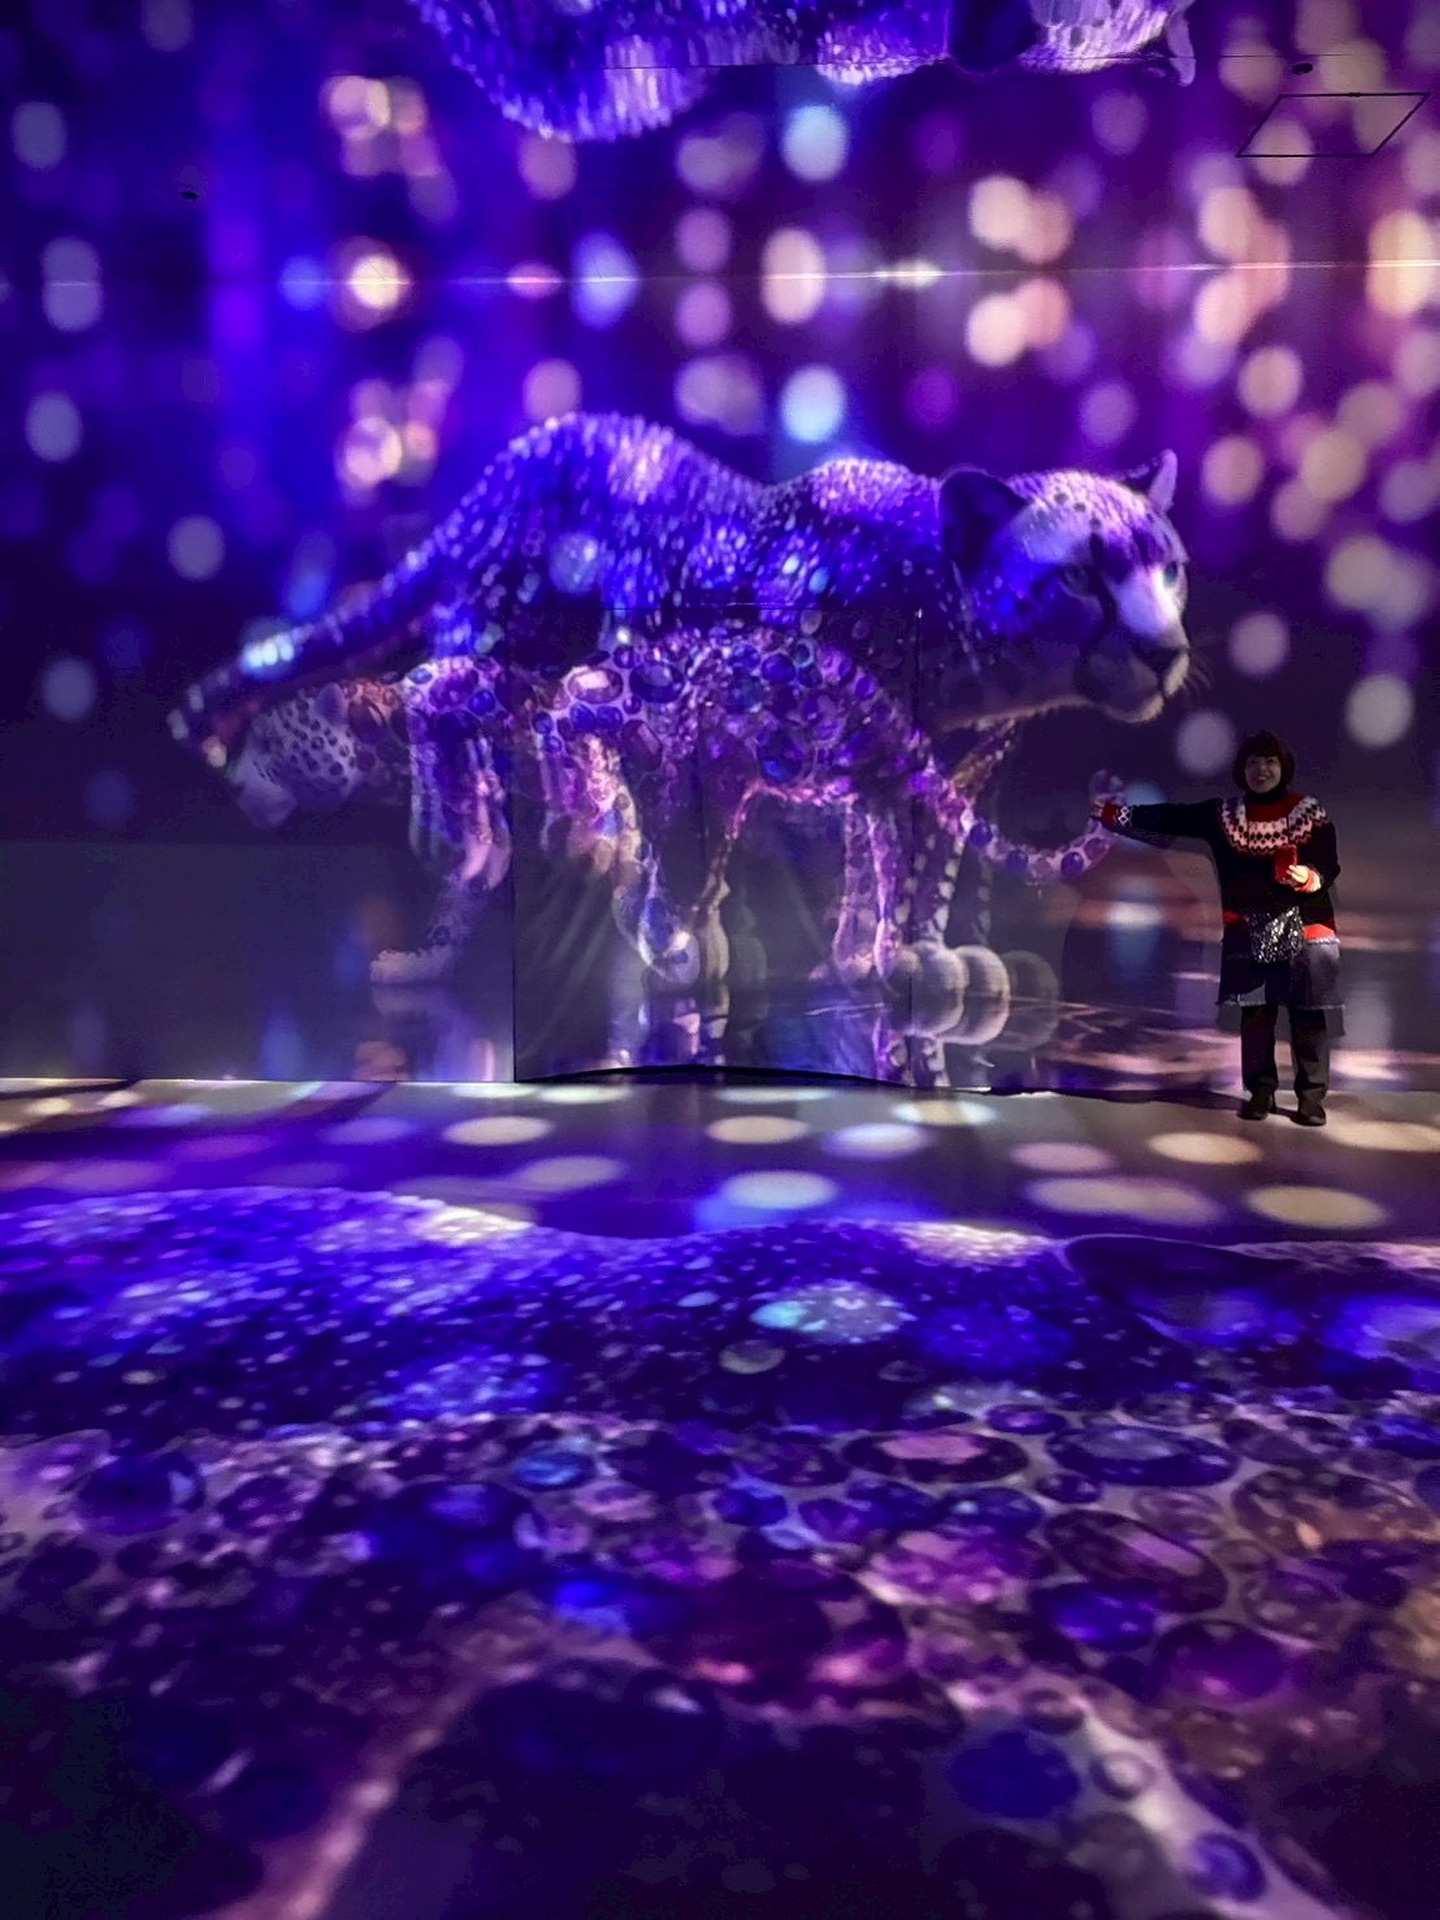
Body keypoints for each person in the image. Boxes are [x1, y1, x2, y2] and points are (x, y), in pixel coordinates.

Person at [1090, 729, 1342, 1126]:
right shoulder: (1225, 815)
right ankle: (1260, 1092)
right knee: (1256, 1016)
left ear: (1284, 767)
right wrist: (1115, 815)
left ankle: (1311, 1098)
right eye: (1253, 762)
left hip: (1306, 928)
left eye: (1270, 762)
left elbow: (1328, 861)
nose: (1262, 770)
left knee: (1308, 1016)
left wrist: (1310, 878)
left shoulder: (1308, 813)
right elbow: (1172, 817)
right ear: (1242, 770)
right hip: (1247, 930)